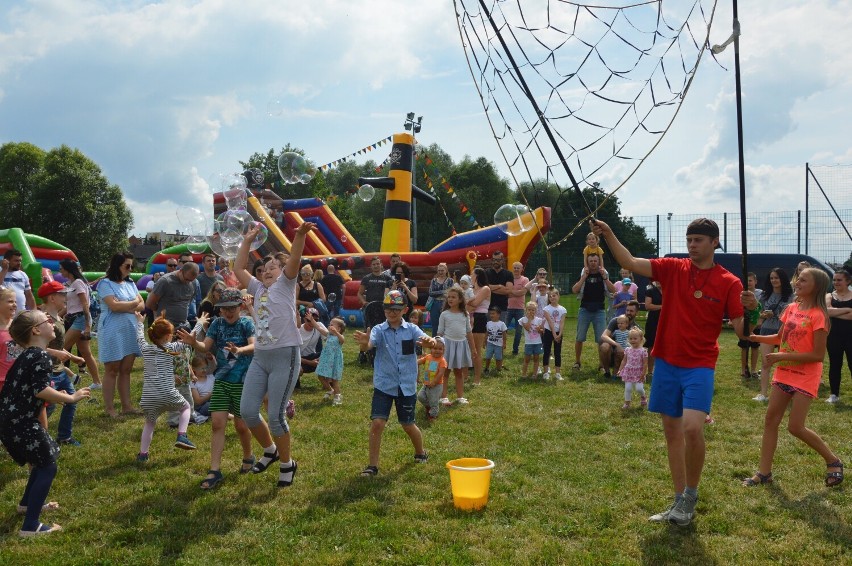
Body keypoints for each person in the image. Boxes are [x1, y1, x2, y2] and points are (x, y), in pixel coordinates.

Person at [593, 217, 750, 527]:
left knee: (693, 428)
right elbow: (628, 260)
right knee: (672, 433)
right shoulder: (673, 267)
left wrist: (752, 308)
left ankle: (690, 495)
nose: (692, 245)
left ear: (714, 242)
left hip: (700, 364)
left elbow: (743, 331)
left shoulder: (730, 282)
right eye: (689, 240)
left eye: (699, 240)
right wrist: (609, 232)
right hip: (666, 361)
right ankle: (679, 501)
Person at [743, 268, 843, 489]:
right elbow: (781, 337)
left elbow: (817, 355)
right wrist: (754, 336)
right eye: (798, 278)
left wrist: (781, 356)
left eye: (803, 280)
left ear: (816, 286)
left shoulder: (819, 316)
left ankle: (833, 460)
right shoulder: (791, 308)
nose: (797, 282)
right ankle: (764, 472)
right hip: (784, 373)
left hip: (805, 377)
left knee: (795, 427)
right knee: (770, 421)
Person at [234, 222, 315, 488]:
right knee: (247, 411)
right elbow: (238, 269)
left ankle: (286, 464)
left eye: (273, 268)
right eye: (264, 269)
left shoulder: (286, 284)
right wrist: (247, 241)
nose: (267, 271)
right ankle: (270, 450)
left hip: (285, 356)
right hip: (261, 357)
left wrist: (299, 235)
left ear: (282, 273)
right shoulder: (257, 290)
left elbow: (294, 258)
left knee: (276, 416)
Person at [0, 310, 91, 537]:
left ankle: (25, 505)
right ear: (36, 330)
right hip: (21, 422)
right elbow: (41, 390)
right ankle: (31, 526)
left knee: (40, 461)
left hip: (11, 421)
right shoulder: (39, 356)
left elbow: (32, 387)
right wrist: (70, 397)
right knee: (48, 465)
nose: (52, 322)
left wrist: (54, 392)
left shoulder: (31, 353)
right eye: (47, 320)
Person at [178, 287, 257, 490]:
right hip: (221, 381)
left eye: (232, 307)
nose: (228, 312)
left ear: (240, 306)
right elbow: (205, 347)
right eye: (224, 308)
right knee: (217, 424)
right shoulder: (217, 325)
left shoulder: (246, 323)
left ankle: (248, 456)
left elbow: (254, 346)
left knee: (241, 426)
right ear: (219, 309)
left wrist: (239, 350)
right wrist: (193, 341)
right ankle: (214, 470)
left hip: (242, 382)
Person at [353, 290, 437, 476]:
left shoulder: (412, 329)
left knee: (407, 424)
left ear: (405, 310)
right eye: (389, 309)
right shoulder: (378, 330)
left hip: (406, 385)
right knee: (377, 423)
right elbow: (369, 344)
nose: (393, 312)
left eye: (397, 309)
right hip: (384, 384)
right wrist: (364, 344)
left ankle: (420, 452)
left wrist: (430, 341)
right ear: (384, 310)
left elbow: (428, 342)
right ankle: (372, 466)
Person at [133, 314, 197, 462]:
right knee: (186, 407)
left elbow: (139, 338)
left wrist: (140, 323)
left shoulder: (146, 349)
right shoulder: (172, 348)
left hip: (149, 397)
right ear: (169, 336)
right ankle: (182, 435)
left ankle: (143, 454)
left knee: (149, 423)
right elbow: (192, 339)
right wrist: (199, 324)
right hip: (168, 393)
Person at [98, 252, 145, 418]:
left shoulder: (130, 283)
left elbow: (143, 304)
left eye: (131, 266)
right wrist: (133, 304)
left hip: (129, 329)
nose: (130, 269)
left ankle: (127, 406)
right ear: (117, 265)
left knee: (126, 369)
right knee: (112, 369)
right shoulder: (105, 283)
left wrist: (128, 305)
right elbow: (114, 306)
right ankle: (110, 408)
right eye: (127, 266)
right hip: (112, 330)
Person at [38, 282, 85, 446]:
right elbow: (36, 348)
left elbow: (59, 347)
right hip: (47, 371)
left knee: (71, 401)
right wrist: (61, 354)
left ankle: (64, 436)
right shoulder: (44, 320)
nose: (66, 298)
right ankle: (33, 434)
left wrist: (72, 357)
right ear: (51, 298)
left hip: (60, 371)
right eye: (62, 295)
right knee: (46, 408)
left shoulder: (59, 318)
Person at [58, 259, 101, 389]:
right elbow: (70, 306)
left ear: (68, 269)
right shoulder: (71, 284)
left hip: (81, 319)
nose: (60, 271)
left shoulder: (78, 283)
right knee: (85, 352)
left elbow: (85, 304)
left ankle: (67, 379)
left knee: (61, 349)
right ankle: (97, 382)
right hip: (74, 318)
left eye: (61, 268)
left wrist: (88, 326)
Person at [753, 268, 793, 402]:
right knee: (766, 363)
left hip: (785, 332)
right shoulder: (765, 295)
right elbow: (759, 313)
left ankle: (787, 393)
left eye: (776, 278)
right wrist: (763, 315)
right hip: (767, 329)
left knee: (787, 363)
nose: (774, 280)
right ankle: (763, 394)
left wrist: (776, 314)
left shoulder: (791, 295)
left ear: (783, 279)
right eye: (771, 278)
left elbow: (792, 315)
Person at [571, 254, 614, 371]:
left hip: (599, 310)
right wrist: (584, 277)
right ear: (587, 262)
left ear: (599, 261)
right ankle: (577, 361)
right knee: (579, 337)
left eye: (595, 261)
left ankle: (601, 364)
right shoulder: (584, 273)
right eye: (591, 261)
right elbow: (574, 290)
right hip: (584, 309)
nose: (593, 263)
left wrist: (605, 278)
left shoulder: (603, 273)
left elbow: (613, 290)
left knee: (601, 339)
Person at [437, 286, 474, 406]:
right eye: (449, 297)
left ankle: (460, 397)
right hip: (447, 345)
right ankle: (443, 397)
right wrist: (437, 346)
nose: (450, 299)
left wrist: (473, 349)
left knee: (459, 372)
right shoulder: (444, 314)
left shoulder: (465, 314)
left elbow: (469, 332)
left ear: (460, 300)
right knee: (445, 371)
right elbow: (440, 332)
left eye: (454, 297)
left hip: (461, 345)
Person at [146, 258, 200, 327]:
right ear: (180, 271)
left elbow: (189, 301)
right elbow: (149, 303)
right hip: (165, 326)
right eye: (186, 279)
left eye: (191, 280)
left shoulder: (194, 283)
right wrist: (160, 312)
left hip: (183, 325)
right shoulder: (165, 281)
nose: (188, 282)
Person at [825, 268, 852, 403]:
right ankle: (834, 394)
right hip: (834, 335)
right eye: (834, 280)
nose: (836, 282)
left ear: (848, 281)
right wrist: (847, 310)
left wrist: (836, 312)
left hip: (851, 336)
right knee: (835, 364)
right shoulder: (829, 296)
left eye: (839, 280)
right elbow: (827, 312)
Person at [599, 301, 642, 380]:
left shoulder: (636, 328)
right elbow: (604, 336)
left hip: (625, 353)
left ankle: (620, 372)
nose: (628, 313)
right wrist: (617, 345)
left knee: (625, 351)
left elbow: (638, 346)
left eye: (631, 311)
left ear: (637, 313)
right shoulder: (616, 321)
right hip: (612, 349)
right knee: (604, 346)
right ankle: (607, 371)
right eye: (627, 310)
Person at [467, 268, 491, 386]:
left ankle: (477, 379)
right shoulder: (471, 290)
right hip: (468, 317)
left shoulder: (485, 289)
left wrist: (467, 302)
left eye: (472, 275)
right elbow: (468, 306)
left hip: (479, 318)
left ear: (477, 276)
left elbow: (475, 304)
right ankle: (465, 376)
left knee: (476, 350)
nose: (470, 277)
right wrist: (469, 303)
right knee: (466, 349)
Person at [738, 272, 764, 380]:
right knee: (744, 348)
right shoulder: (741, 294)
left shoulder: (761, 294)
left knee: (755, 348)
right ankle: (744, 369)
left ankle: (753, 369)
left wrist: (760, 318)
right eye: (746, 281)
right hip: (745, 325)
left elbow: (762, 309)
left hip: (757, 326)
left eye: (750, 280)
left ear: (755, 282)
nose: (748, 283)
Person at [316, 317, 346, 405]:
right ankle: (330, 390)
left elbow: (342, 340)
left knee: (334, 380)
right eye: (329, 324)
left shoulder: (339, 337)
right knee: (320, 376)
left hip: (335, 361)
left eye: (332, 325)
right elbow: (319, 328)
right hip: (326, 360)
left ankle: (337, 396)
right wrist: (312, 320)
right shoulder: (329, 335)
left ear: (339, 329)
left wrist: (336, 333)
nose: (329, 326)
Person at [618, 327, 648, 410]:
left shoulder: (643, 351)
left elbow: (645, 363)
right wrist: (620, 369)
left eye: (635, 338)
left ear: (641, 339)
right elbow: (624, 360)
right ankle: (627, 403)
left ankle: (643, 396)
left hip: (639, 373)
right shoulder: (627, 350)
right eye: (630, 338)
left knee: (639, 388)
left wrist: (643, 373)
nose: (632, 340)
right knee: (628, 388)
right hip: (629, 372)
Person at [417, 337, 447, 421]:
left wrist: (434, 382)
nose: (437, 351)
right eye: (435, 348)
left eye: (440, 349)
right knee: (420, 396)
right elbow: (420, 361)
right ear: (431, 349)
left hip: (436, 385)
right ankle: (429, 407)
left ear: (444, 350)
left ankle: (433, 415)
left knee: (434, 401)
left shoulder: (442, 361)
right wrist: (414, 362)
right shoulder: (428, 357)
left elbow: (441, 373)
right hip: (426, 383)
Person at [541, 288, 567, 381]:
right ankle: (545, 372)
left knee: (557, 352)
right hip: (548, 331)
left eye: (554, 296)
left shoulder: (563, 309)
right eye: (550, 296)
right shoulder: (546, 309)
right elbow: (550, 322)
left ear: (558, 296)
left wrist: (559, 333)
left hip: (558, 333)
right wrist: (554, 334)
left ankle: (557, 373)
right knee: (547, 351)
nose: (552, 298)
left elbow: (562, 322)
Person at [1, 249, 35, 313]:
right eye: (16, 261)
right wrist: (4, 270)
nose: (19, 263)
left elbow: (29, 296)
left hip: (20, 315)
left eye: (20, 261)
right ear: (7, 261)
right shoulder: (1, 271)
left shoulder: (23, 274)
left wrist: (34, 312)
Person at [507, 262, 530, 355]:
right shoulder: (508, 279)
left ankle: (515, 350)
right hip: (508, 308)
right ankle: (500, 347)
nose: (516, 269)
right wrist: (517, 292)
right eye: (515, 268)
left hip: (520, 309)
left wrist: (511, 292)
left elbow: (523, 293)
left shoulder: (525, 279)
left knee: (518, 331)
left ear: (522, 269)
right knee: (503, 328)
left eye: (518, 268)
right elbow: (506, 293)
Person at [486, 251, 514, 324]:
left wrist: (490, 288)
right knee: (488, 332)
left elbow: (508, 290)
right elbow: (483, 288)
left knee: (501, 332)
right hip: (488, 307)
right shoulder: (486, 273)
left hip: (502, 308)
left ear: (502, 260)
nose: (495, 262)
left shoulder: (509, 274)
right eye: (494, 259)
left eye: (498, 260)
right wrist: (500, 286)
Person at [518, 301, 545, 379]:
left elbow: (542, 331)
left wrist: (539, 329)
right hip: (529, 343)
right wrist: (529, 319)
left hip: (537, 342)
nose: (531, 311)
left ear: (536, 311)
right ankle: (524, 374)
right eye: (529, 309)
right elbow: (527, 328)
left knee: (536, 359)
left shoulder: (539, 320)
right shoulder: (523, 319)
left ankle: (534, 374)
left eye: (533, 310)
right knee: (527, 359)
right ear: (526, 310)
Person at [427, 263, 453, 337]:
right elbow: (431, 293)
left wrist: (439, 292)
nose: (440, 272)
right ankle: (434, 343)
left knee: (445, 324)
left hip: (446, 303)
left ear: (446, 270)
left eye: (442, 270)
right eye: (439, 270)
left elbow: (450, 292)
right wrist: (444, 291)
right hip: (434, 304)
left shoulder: (450, 280)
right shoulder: (434, 280)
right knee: (435, 325)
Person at [644, 280, 663, 377]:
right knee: (651, 346)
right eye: (657, 279)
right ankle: (650, 372)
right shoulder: (650, 291)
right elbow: (648, 306)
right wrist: (663, 307)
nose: (659, 281)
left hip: (667, 322)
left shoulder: (670, 291)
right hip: (653, 321)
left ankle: (662, 371)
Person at [483, 306, 507, 375]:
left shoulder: (502, 324)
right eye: (490, 314)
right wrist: (484, 342)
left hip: (498, 344)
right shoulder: (488, 323)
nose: (491, 315)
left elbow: (504, 334)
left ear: (499, 315)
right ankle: (487, 368)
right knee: (488, 356)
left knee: (498, 357)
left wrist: (504, 343)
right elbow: (486, 333)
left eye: (493, 313)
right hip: (490, 343)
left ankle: (498, 368)